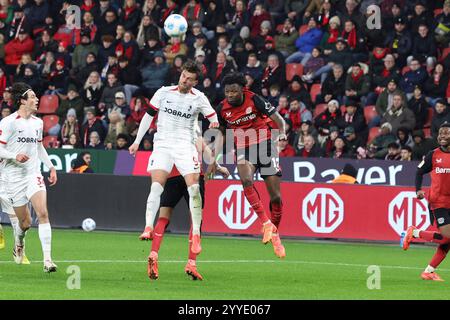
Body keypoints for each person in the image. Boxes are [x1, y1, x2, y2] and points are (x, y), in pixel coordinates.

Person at [129, 61, 219, 279]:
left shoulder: (198, 100)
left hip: (184, 149)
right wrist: (137, 141)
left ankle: (195, 235)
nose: (184, 80)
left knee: (194, 189)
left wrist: (215, 126)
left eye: (189, 79)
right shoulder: (163, 93)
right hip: (163, 146)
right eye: (183, 76)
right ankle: (148, 228)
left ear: (196, 82)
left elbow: (213, 122)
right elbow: (148, 117)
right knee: (156, 187)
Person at [211, 72, 287, 259]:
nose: (230, 95)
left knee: (276, 197)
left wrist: (282, 132)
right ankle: (265, 223)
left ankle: (275, 234)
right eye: (227, 92)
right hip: (244, 148)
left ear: (242, 89)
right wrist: (214, 158)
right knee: (245, 179)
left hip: (266, 145)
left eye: (234, 91)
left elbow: (278, 119)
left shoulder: (254, 100)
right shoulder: (222, 109)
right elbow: (220, 134)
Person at [0, 82, 57, 272]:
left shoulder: (38, 123)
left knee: (43, 213)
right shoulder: (8, 122)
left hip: (33, 174)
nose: (37, 99)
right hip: (13, 177)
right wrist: (13, 155)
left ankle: (47, 261)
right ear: (22, 100)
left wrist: (51, 167)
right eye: (32, 96)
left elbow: (39, 147)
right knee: (25, 223)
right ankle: (19, 243)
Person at [401, 123, 450, 281]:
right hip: (438, 202)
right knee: (447, 237)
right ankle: (414, 233)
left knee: (447, 241)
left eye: (446, 133)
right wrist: (418, 190)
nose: (442, 136)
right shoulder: (433, 155)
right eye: (440, 134)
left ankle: (428, 271)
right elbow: (419, 171)